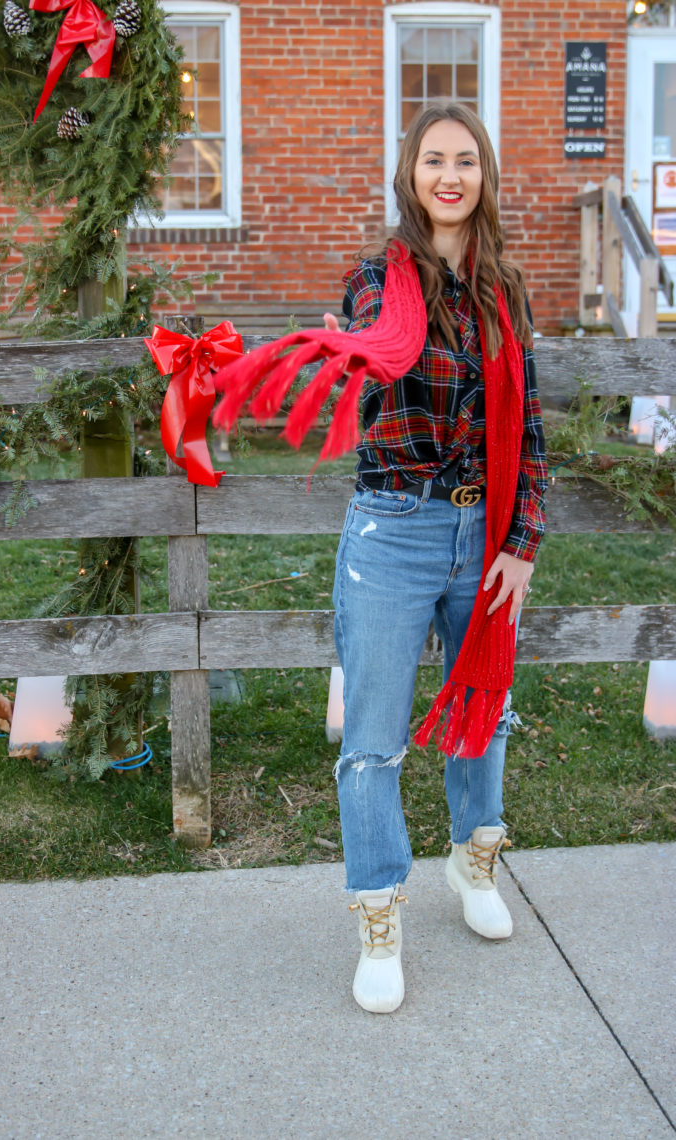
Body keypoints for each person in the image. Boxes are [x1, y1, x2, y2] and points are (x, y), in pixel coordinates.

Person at [324, 102, 548, 1014]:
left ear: (484, 175)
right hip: (396, 530)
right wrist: (370, 345)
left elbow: (528, 428)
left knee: (484, 713)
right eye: (433, 161)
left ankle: (473, 859)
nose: (449, 176)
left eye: (465, 161)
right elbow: (383, 351)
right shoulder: (379, 278)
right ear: (410, 177)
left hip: (484, 532)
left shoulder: (507, 289)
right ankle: (379, 910)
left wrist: (522, 543)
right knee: (372, 742)